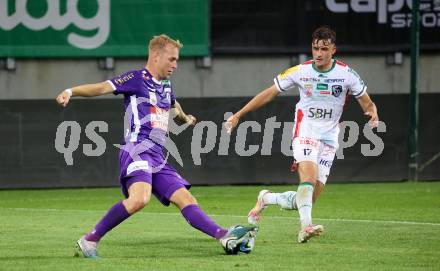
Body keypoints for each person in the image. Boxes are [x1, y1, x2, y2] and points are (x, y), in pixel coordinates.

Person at [56, 34, 257, 258]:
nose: (175, 64)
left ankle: (224, 236)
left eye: (177, 60)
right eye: (171, 59)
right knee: (139, 199)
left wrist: (186, 119)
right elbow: (102, 87)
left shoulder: (166, 87)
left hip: (157, 155)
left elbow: (176, 111)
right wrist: (71, 91)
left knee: (186, 199)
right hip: (137, 149)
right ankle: (89, 240)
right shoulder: (136, 78)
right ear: (155, 55)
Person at [225, 26, 379, 243]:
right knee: (306, 179)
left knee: (305, 200)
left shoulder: (347, 74)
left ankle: (267, 198)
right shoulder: (300, 71)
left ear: (333, 50)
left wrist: (373, 113)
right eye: (315, 48)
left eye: (324, 49)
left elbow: (366, 101)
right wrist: (239, 115)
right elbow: (269, 93)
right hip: (305, 131)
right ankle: (305, 227)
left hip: (330, 137)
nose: (318, 53)